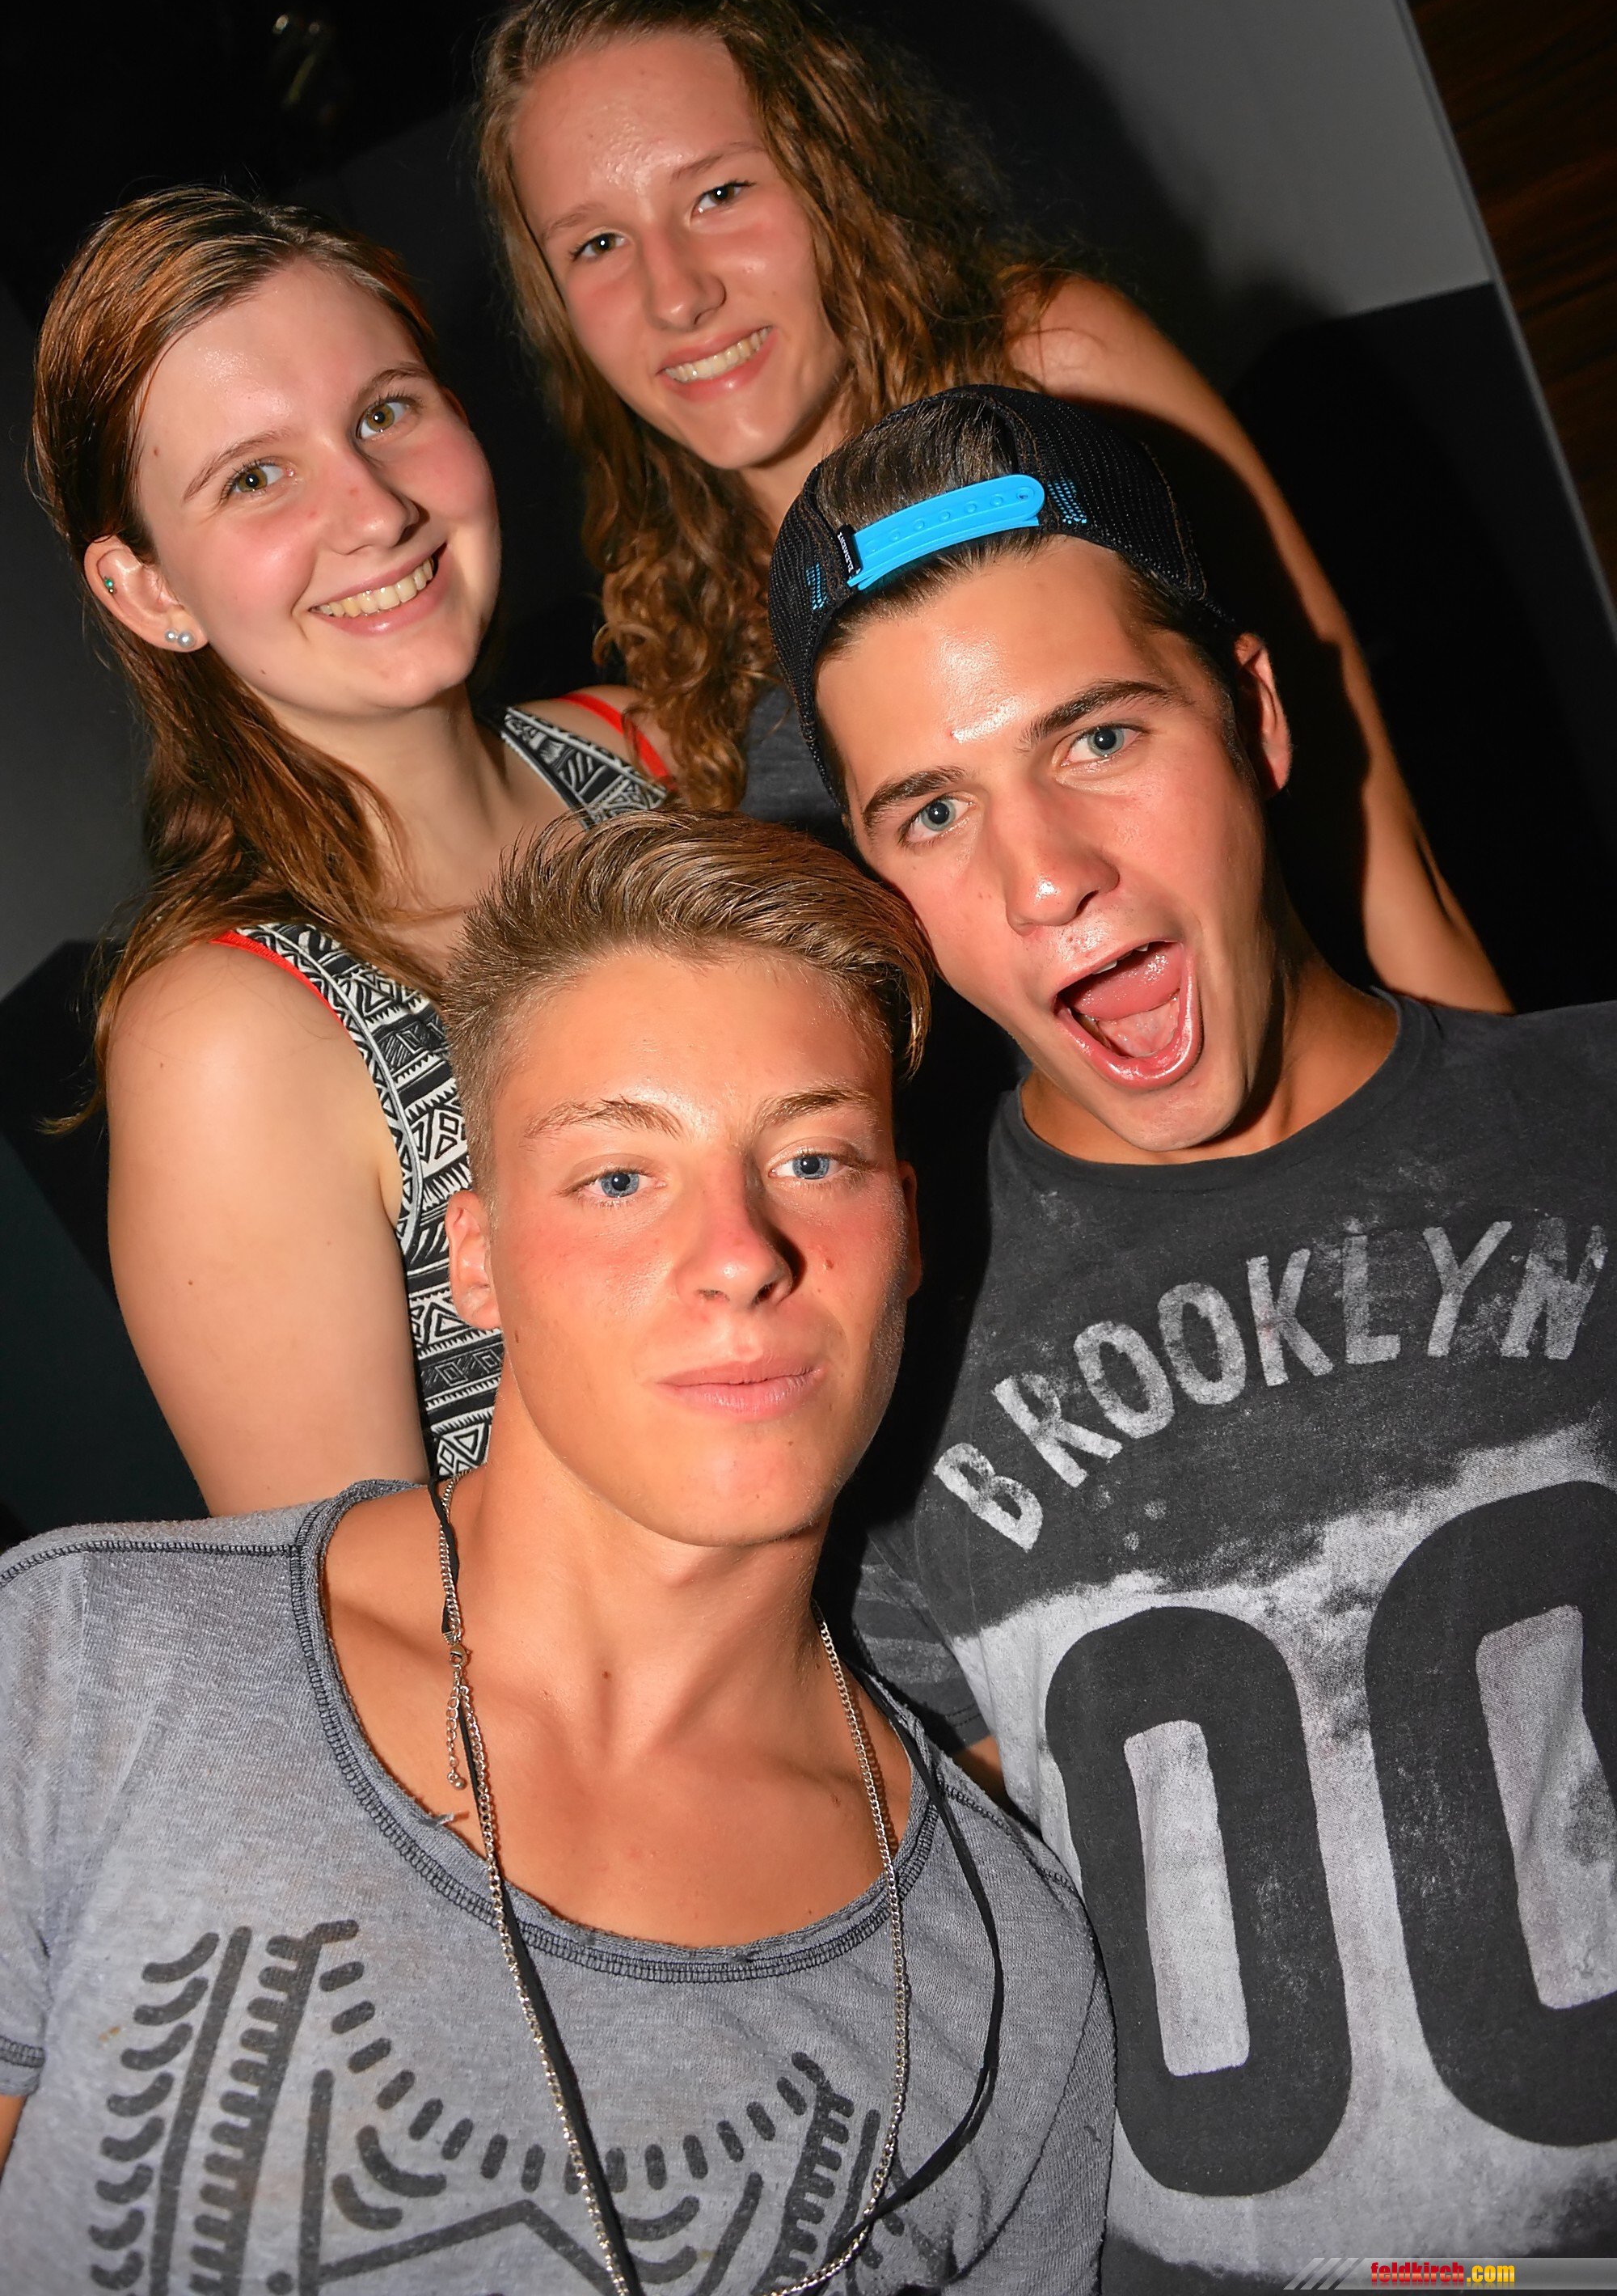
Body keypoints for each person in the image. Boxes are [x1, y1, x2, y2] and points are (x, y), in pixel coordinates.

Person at [0, 810, 1113, 2294]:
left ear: (907, 1233)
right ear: (477, 1260)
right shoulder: (79, 1670)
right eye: (620, 1179)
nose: (742, 1253)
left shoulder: (1009, 1978)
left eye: (813, 1158)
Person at [766, 386, 1617, 2283]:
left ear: (1255, 712)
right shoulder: (875, 1335)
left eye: (1097, 734)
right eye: (931, 810)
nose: (1042, 873)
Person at [476, 0, 1505, 1010]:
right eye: (596, 245)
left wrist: (1508, 1107)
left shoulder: (1056, 374)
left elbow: (1385, 863)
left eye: (719, 194)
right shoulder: (668, 605)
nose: (677, 296)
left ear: (832, 169)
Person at [32, 188, 664, 1512]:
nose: (373, 510)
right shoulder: (231, 1038)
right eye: (254, 477)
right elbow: (374, 1607)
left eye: (385, 413)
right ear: (151, 590)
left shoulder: (658, 751)